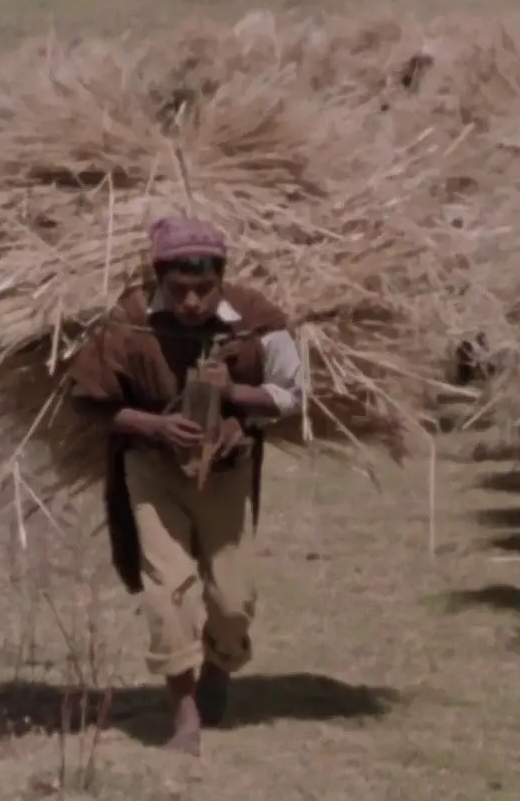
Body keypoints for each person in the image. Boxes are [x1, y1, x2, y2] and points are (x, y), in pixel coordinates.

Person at [66, 216, 305, 755]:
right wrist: (154, 425)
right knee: (167, 590)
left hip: (228, 471)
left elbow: (293, 395)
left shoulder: (256, 320)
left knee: (233, 599)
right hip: (152, 473)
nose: (192, 302)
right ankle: (184, 715)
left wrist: (237, 395)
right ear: (159, 279)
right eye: (179, 290)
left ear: (222, 278)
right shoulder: (128, 323)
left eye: (204, 288)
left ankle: (220, 665)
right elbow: (86, 402)